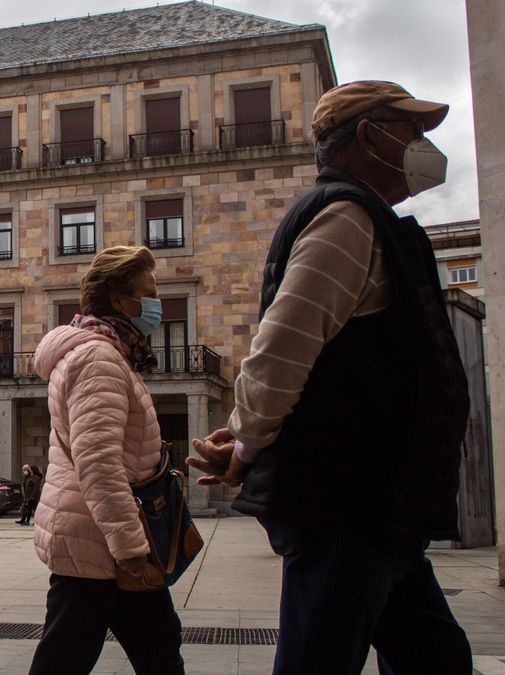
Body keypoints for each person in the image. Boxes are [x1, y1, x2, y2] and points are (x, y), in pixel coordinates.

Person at [187, 81, 471, 674]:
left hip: (375, 501)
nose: (424, 145)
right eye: (412, 129)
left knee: (437, 659)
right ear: (371, 135)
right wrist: (245, 445)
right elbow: (281, 348)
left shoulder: (365, 217)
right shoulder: (346, 215)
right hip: (345, 501)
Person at [29, 245, 184, 675]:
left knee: (158, 646)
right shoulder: (98, 359)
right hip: (98, 543)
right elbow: (99, 462)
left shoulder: (111, 353)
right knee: (69, 656)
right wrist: (131, 547)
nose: (156, 304)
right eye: (148, 293)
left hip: (103, 536)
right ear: (119, 300)